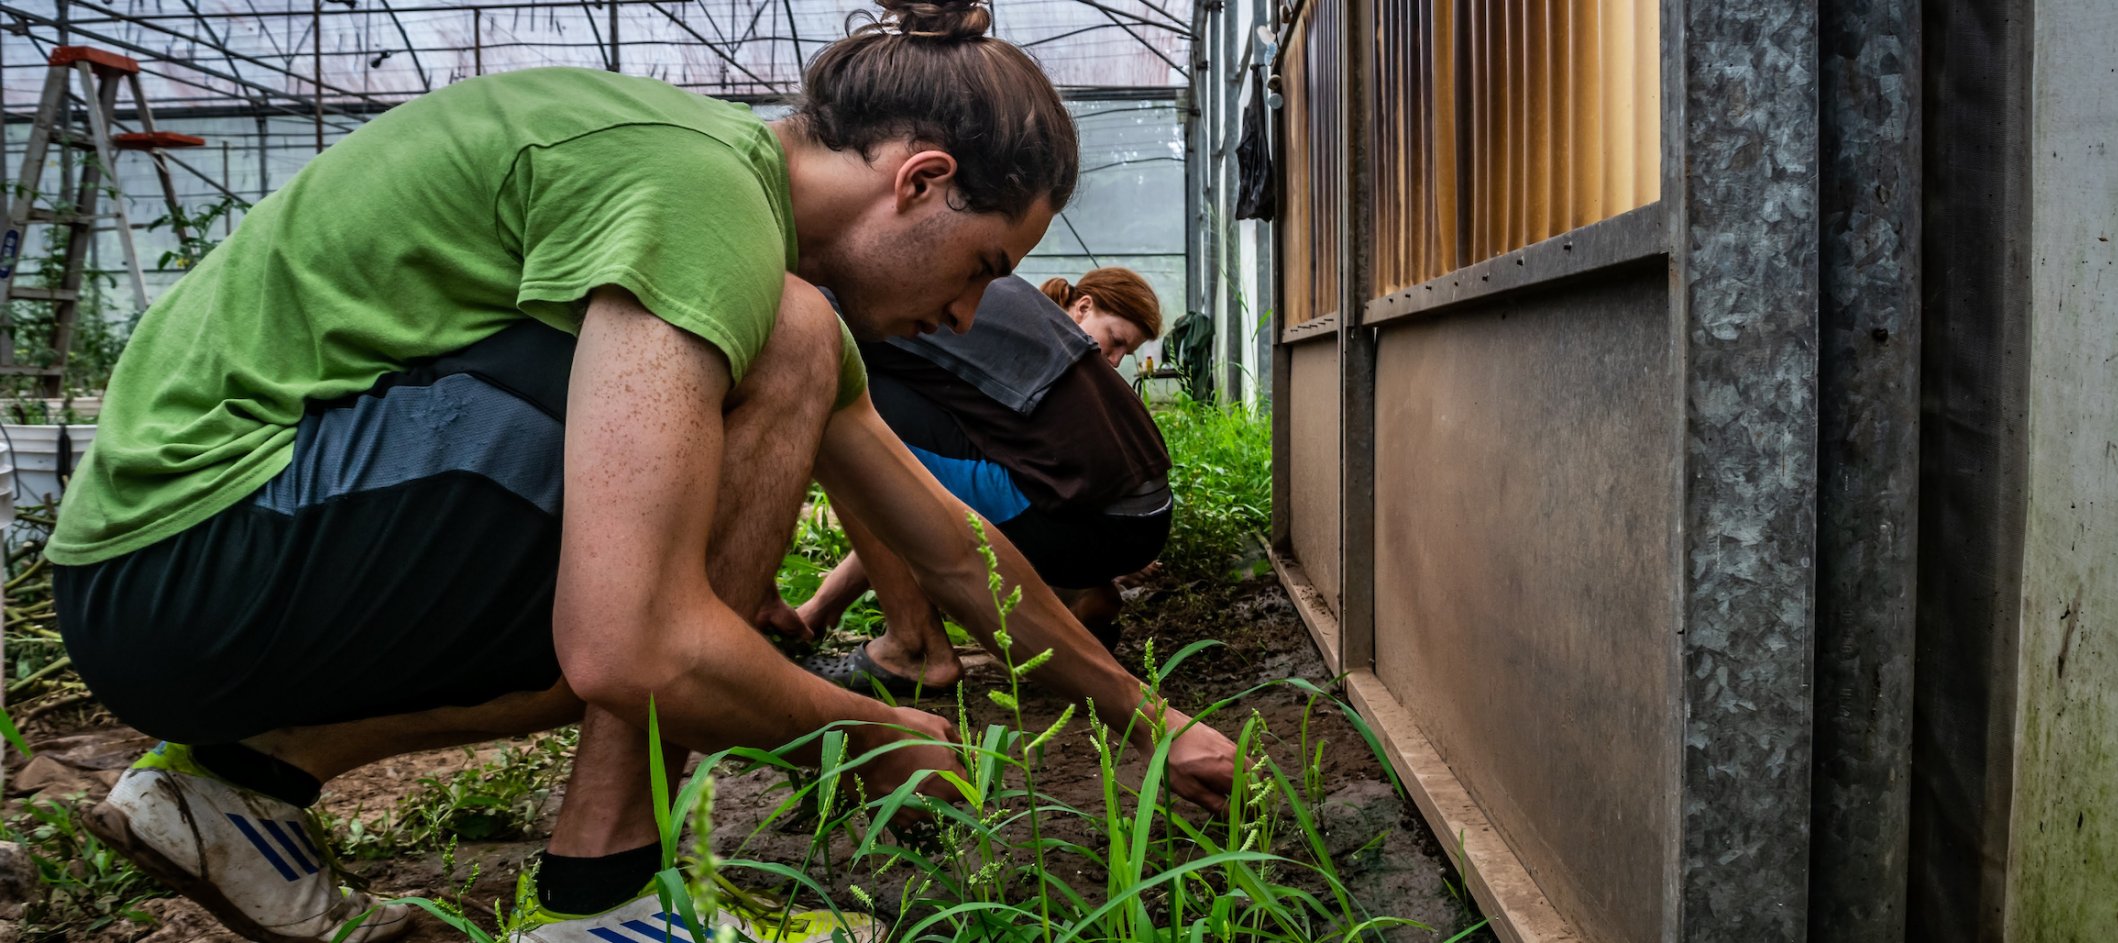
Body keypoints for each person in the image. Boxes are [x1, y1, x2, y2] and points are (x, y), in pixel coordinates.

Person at [47, 4, 1238, 942]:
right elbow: (632, 647)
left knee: (699, 573)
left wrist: (1153, 716)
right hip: (194, 554)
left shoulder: (713, 191)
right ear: (919, 181)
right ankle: (604, 896)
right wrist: (862, 730)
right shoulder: (706, 194)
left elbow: (934, 532)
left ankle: (240, 788)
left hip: (189, 573)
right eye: (984, 262)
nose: (970, 312)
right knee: (668, 593)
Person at [775, 269, 1170, 694]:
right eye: (1116, 342)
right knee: (890, 449)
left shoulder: (847, 293)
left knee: (842, 415)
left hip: (1092, 520)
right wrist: (821, 606)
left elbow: (895, 484)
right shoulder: (1007, 307)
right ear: (1083, 306)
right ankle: (1076, 596)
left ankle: (914, 646)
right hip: (1130, 516)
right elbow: (923, 487)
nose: (1113, 360)